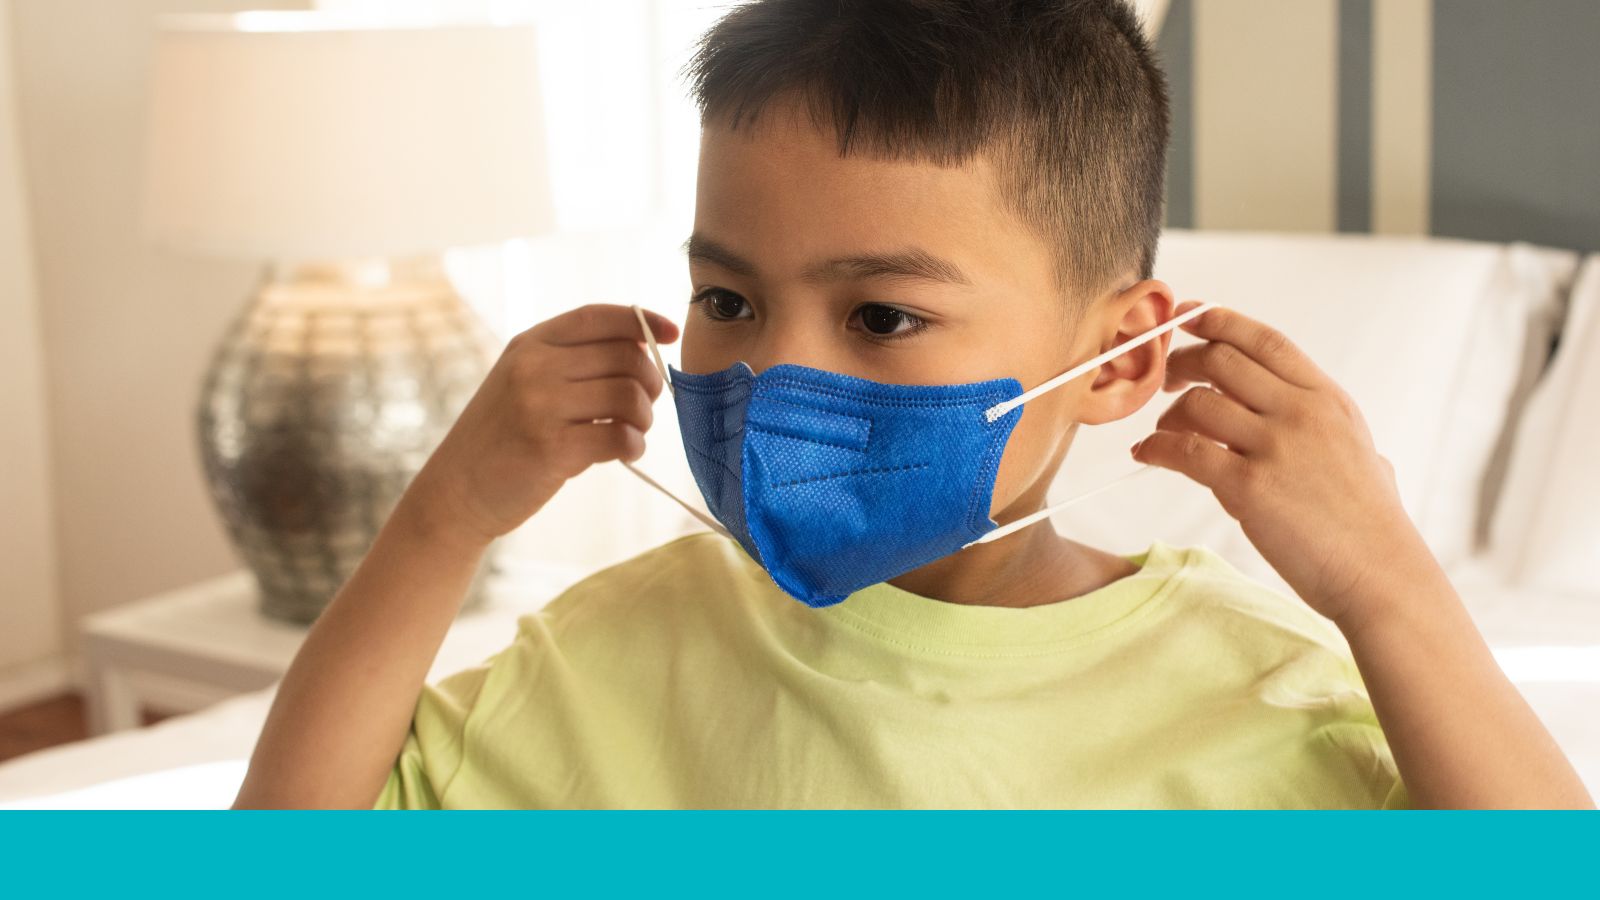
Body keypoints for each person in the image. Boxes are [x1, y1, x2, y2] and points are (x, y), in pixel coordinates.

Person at [234, 0, 1592, 809]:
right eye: (729, 300)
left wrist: (1390, 590)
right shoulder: (615, 649)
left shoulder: (1266, 700)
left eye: (882, 316)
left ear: (1119, 363)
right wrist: (441, 521)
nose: (772, 379)